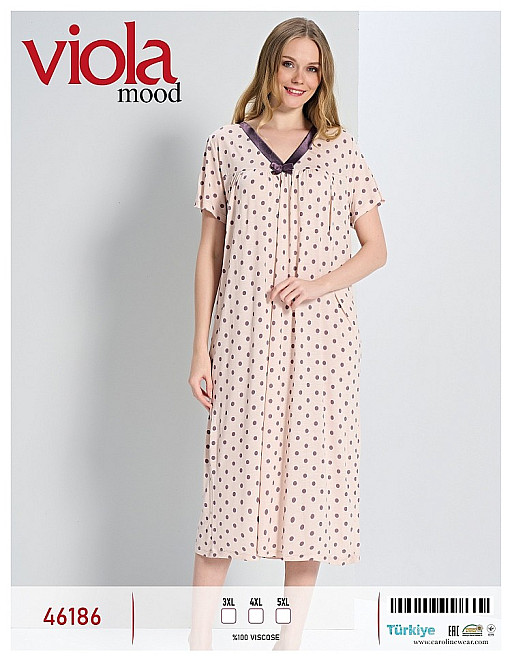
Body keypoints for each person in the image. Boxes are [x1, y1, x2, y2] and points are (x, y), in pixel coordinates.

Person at [188, 17, 387, 648]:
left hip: (323, 342)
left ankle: (288, 644)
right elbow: (208, 255)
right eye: (289, 64)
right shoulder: (225, 145)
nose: (299, 78)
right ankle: (197, 644)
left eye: (312, 67)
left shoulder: (341, 149)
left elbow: (376, 249)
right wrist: (200, 351)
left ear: (323, 77)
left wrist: (317, 284)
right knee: (229, 487)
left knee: (310, 487)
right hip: (243, 337)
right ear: (269, 65)